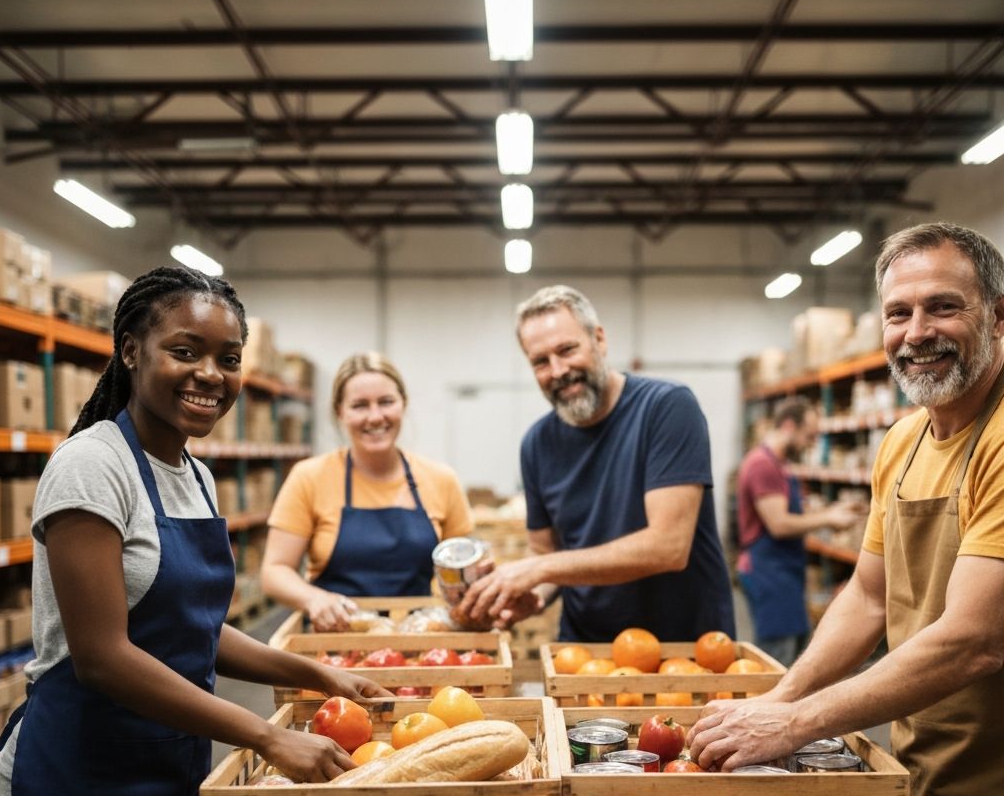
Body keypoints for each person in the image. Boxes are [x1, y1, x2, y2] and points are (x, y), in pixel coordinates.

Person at [0, 267, 392, 796]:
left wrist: (315, 673)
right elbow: (103, 656)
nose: (211, 374)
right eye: (186, 351)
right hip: (77, 780)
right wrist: (265, 736)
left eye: (228, 359)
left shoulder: (197, 475)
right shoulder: (92, 466)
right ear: (130, 351)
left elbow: (189, 628)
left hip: (171, 771)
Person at [689, 222, 1004, 796]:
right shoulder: (902, 441)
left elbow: (975, 640)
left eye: (943, 306)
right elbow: (866, 597)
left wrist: (797, 722)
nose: (917, 333)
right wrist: (779, 702)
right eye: (898, 313)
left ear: (997, 316)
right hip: (922, 768)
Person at [456, 284, 735, 643]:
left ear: (599, 340)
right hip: (584, 652)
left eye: (567, 350)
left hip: (683, 650)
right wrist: (533, 597)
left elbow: (668, 546)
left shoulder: (666, 408)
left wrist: (538, 569)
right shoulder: (537, 444)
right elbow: (545, 551)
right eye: (540, 361)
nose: (557, 370)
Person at [261, 352, 473, 630]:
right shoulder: (309, 477)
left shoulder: (441, 479)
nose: (375, 417)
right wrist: (314, 599)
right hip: (335, 644)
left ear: (403, 404)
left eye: (386, 402)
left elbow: (462, 570)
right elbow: (274, 571)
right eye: (360, 405)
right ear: (340, 412)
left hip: (418, 643)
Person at [737, 395, 861, 666]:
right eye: (809, 435)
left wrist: (832, 509)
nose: (812, 442)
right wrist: (828, 518)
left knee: (793, 652)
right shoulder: (762, 465)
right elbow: (779, 524)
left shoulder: (779, 465)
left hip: (783, 572)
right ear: (790, 426)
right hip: (768, 573)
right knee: (774, 660)